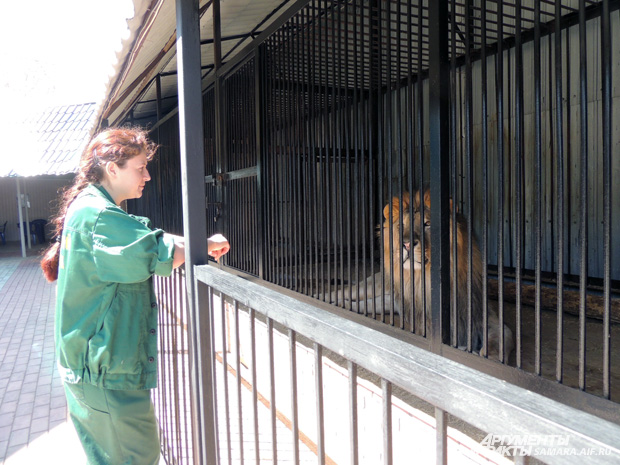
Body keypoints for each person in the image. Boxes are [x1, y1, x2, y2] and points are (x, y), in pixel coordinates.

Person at [40, 127, 230, 465]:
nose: (148, 175)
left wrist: (196, 242)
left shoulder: (92, 208)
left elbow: (142, 238)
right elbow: (153, 251)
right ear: (113, 168)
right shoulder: (97, 214)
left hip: (96, 367)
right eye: (140, 167)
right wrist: (207, 243)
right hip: (102, 370)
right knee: (137, 457)